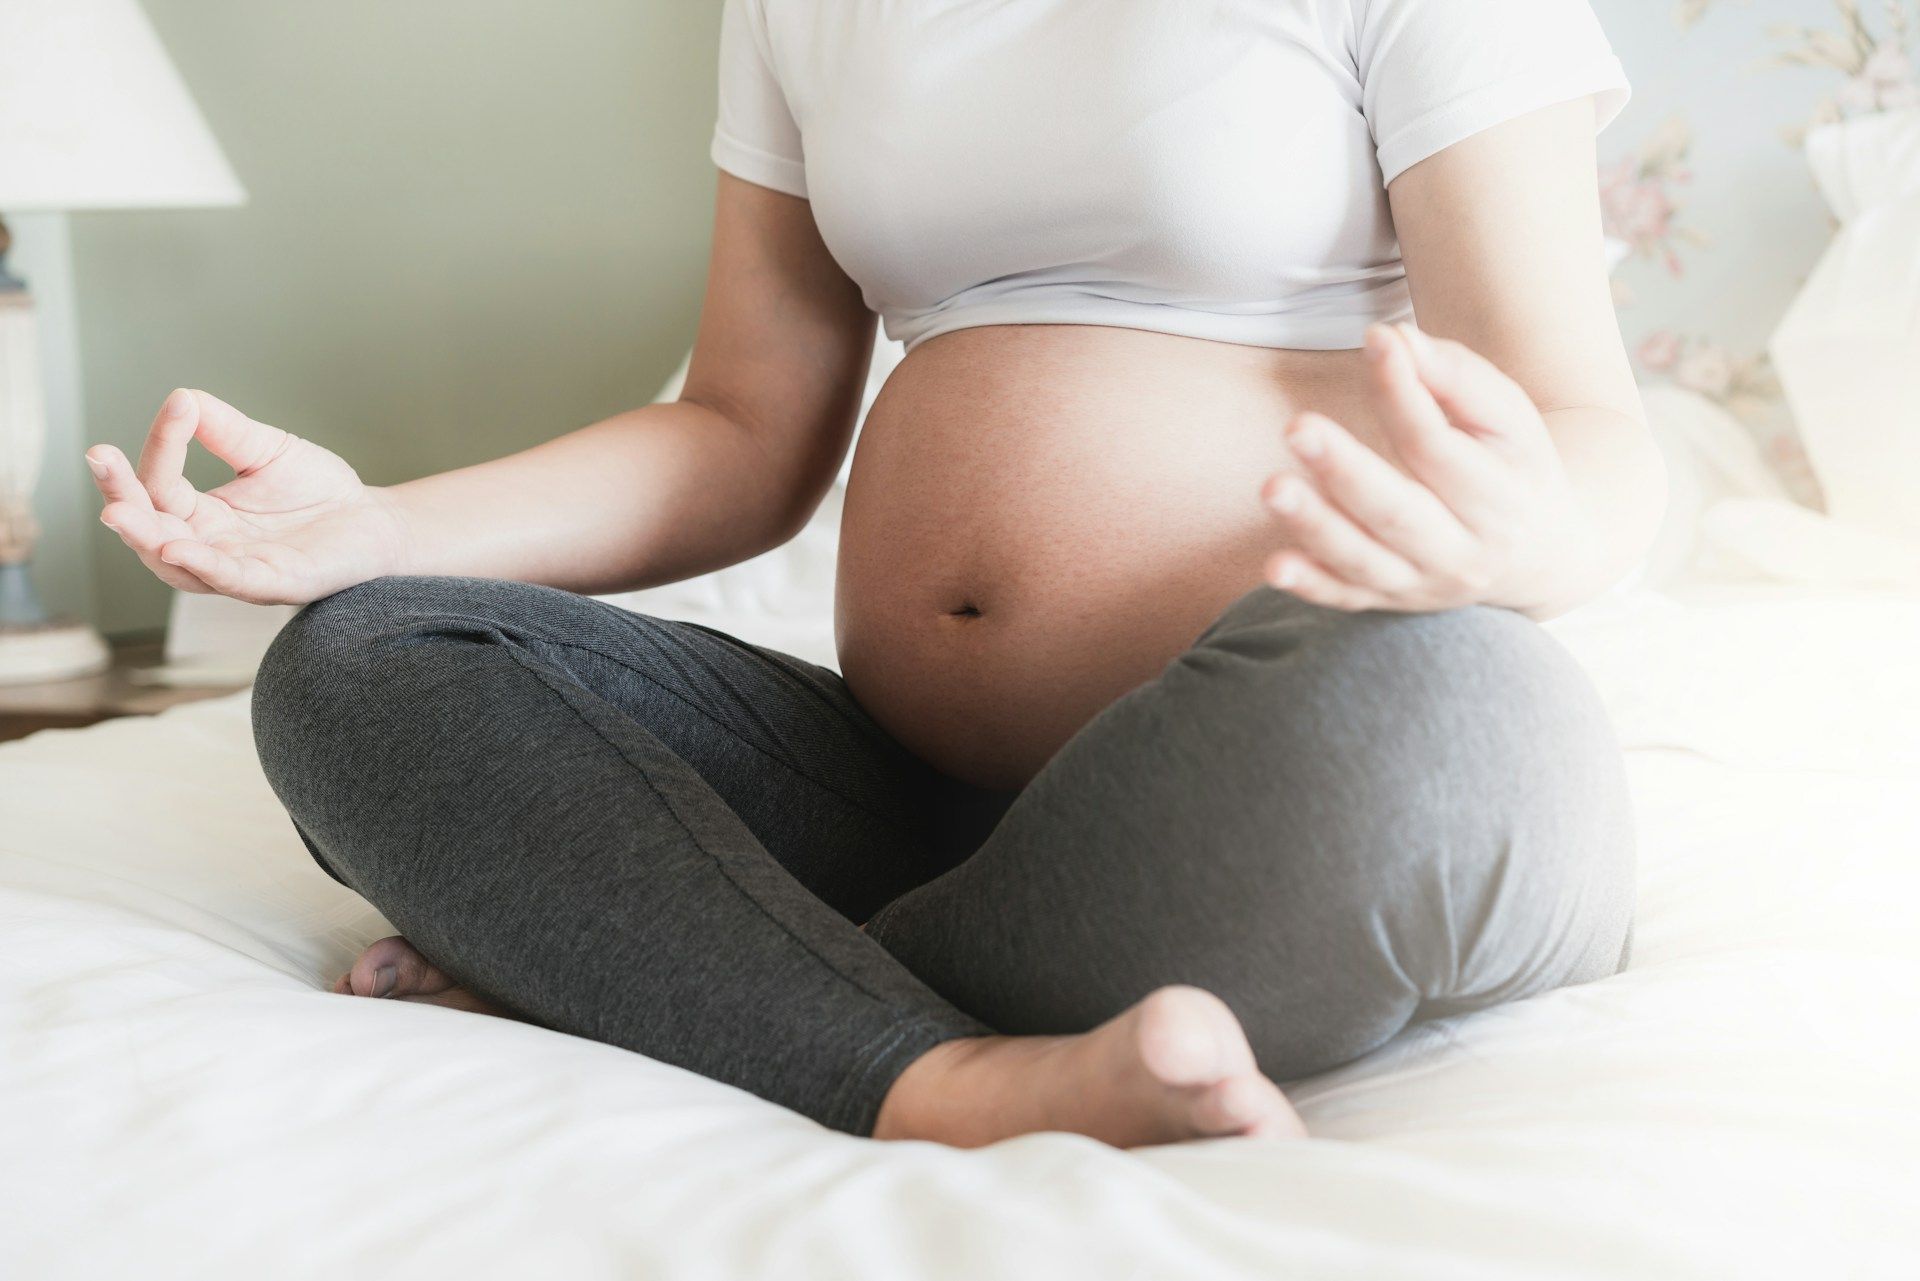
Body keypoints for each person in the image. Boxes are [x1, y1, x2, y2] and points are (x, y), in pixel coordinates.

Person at [86, 0, 1662, 1148]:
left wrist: (1529, 532)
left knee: (1449, 722)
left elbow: (1582, 419)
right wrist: (382, 530)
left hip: (1269, 751)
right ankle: (945, 1073)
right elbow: (743, 431)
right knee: (362, 662)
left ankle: (670, 975)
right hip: (907, 792)